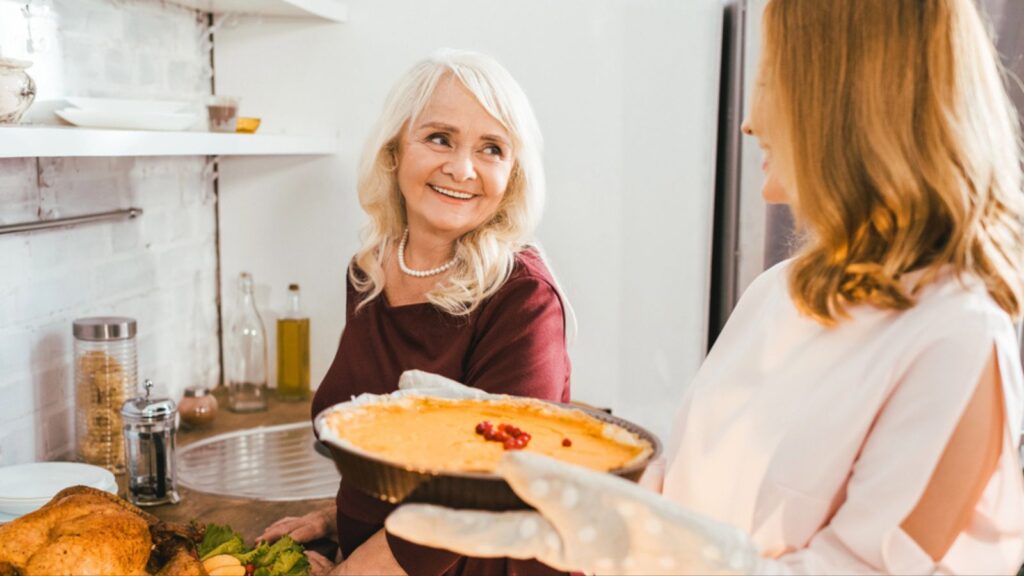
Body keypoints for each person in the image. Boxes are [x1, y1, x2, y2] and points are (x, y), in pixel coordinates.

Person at [384, 1, 1024, 573]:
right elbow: (686, 488)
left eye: (771, 78)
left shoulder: (957, 336)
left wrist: (660, 549)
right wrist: (537, 464)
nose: (748, 120)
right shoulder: (779, 293)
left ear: (849, 101)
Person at [258, 49, 573, 576]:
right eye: (439, 138)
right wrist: (338, 520)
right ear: (393, 152)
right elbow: (389, 449)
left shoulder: (523, 298)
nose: (462, 168)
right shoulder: (370, 274)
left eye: (491, 148)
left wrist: (350, 572)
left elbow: (483, 494)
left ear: (513, 175)